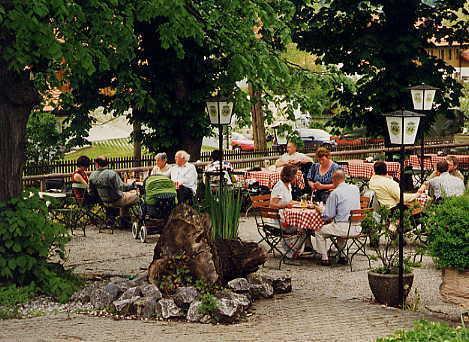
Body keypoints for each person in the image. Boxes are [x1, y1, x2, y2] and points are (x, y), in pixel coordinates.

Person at [314, 169, 360, 266]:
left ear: (334, 179)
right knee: (338, 226)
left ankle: (324, 258)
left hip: (343, 228)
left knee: (318, 231)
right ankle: (342, 256)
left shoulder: (335, 193)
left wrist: (320, 209)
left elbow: (328, 215)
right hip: (356, 227)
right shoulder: (355, 188)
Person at [88, 156, 139, 226]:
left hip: (104, 202)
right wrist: (133, 186)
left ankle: (122, 220)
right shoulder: (111, 173)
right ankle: (128, 220)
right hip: (117, 200)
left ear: (97, 164)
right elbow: (122, 187)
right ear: (107, 163)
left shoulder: (92, 175)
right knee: (136, 195)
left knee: (126, 196)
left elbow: (91, 191)